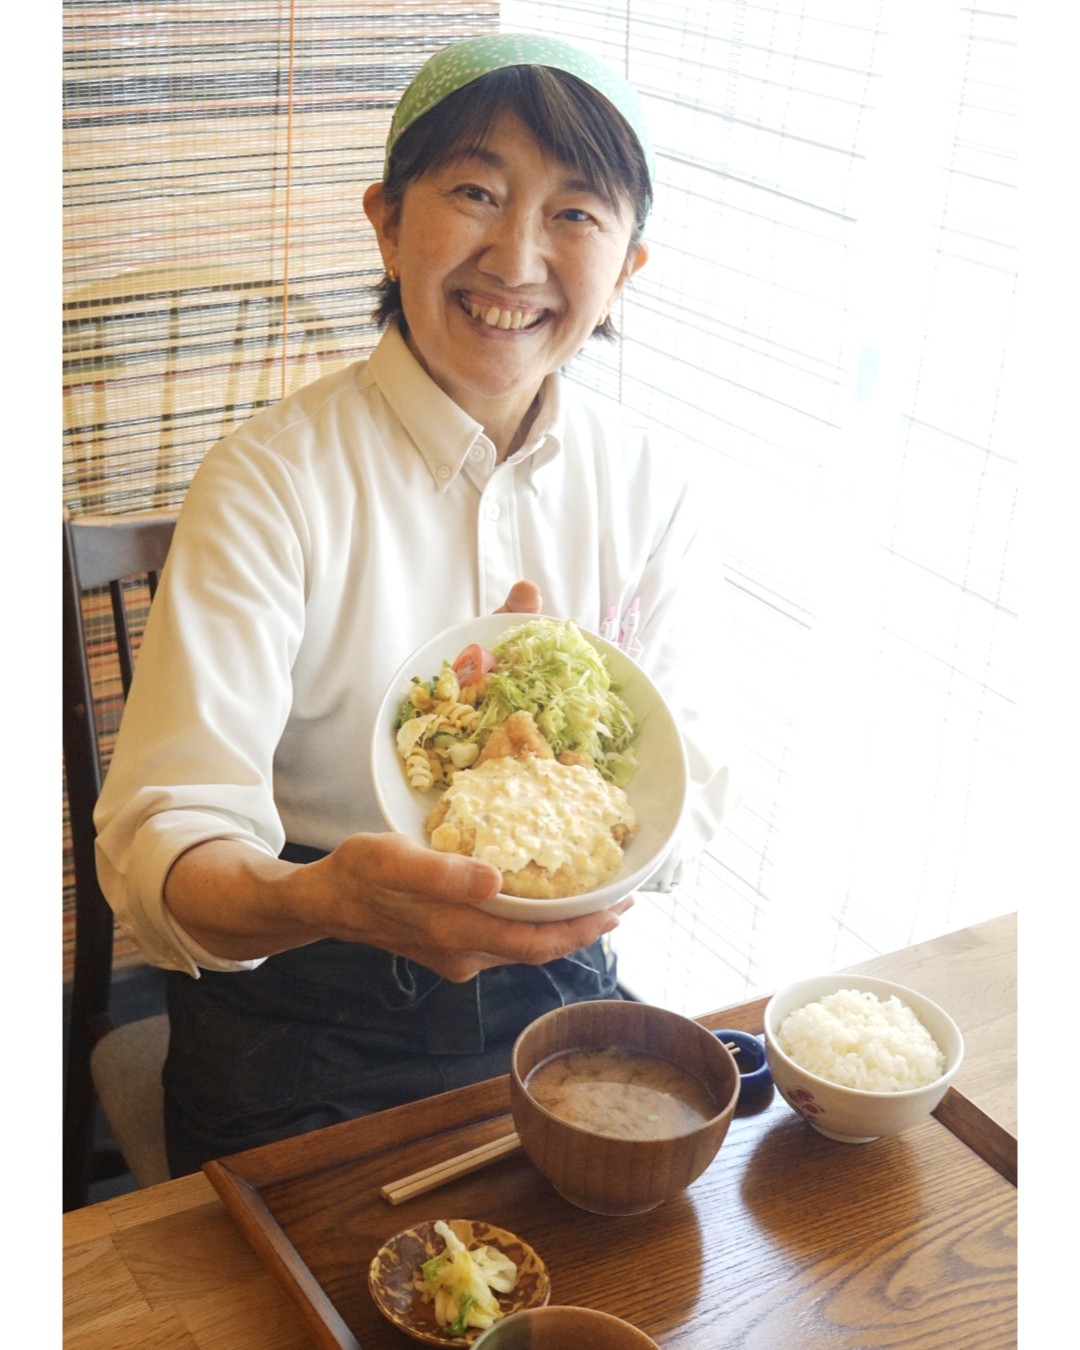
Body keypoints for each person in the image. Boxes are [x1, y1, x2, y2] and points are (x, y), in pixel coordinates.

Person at [94, 33, 740, 1177]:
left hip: (559, 986)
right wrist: (331, 900)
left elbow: (691, 789)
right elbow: (163, 851)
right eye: (476, 193)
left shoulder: (651, 487)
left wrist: (590, 807)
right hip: (303, 1008)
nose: (518, 257)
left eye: (575, 213)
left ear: (628, 266)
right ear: (388, 224)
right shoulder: (268, 481)